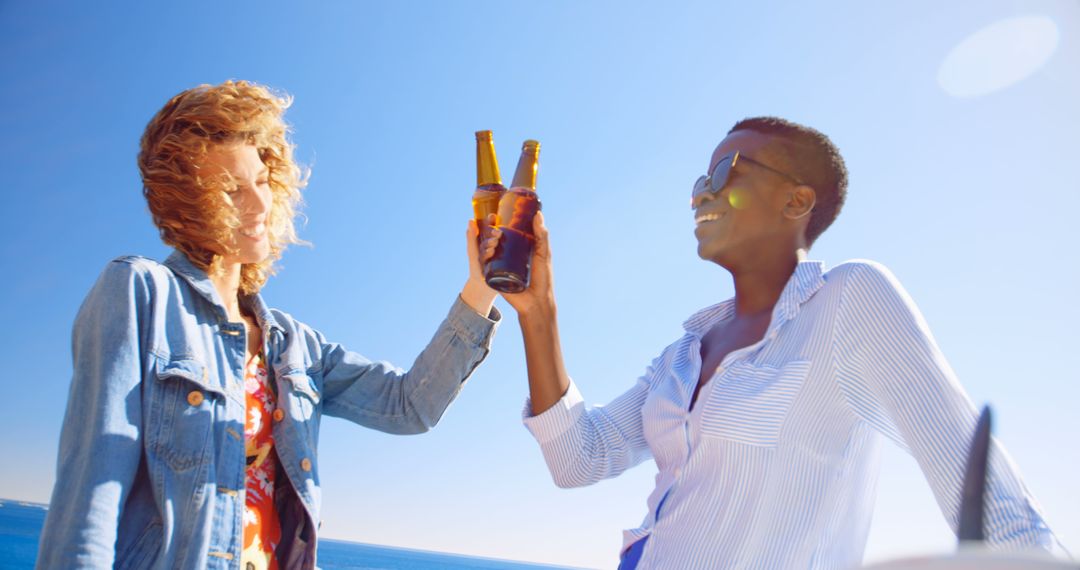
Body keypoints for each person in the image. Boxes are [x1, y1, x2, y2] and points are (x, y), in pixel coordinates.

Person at [486, 117, 1062, 569]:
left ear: (797, 201)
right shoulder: (682, 353)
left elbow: (994, 507)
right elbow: (577, 458)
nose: (700, 196)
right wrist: (539, 311)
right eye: (697, 183)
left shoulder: (849, 301)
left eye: (724, 174)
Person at [36, 80, 500, 569]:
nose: (258, 205)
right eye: (232, 191)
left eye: (261, 181)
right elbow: (91, 493)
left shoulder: (295, 345)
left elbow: (410, 406)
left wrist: (481, 286)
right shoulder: (139, 292)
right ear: (187, 203)